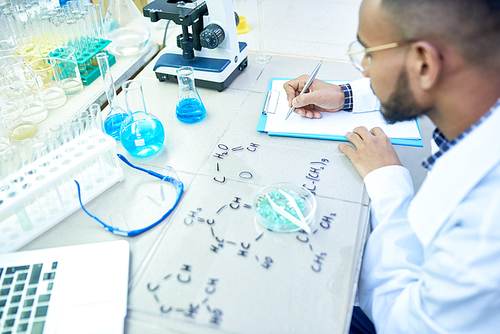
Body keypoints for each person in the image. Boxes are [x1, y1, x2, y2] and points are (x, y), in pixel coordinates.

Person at [284, 0, 500, 333]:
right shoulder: (482, 72)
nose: (365, 68)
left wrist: (388, 184)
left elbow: (403, 323)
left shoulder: (486, 226)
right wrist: (344, 94)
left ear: (425, 64)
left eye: (369, 53)